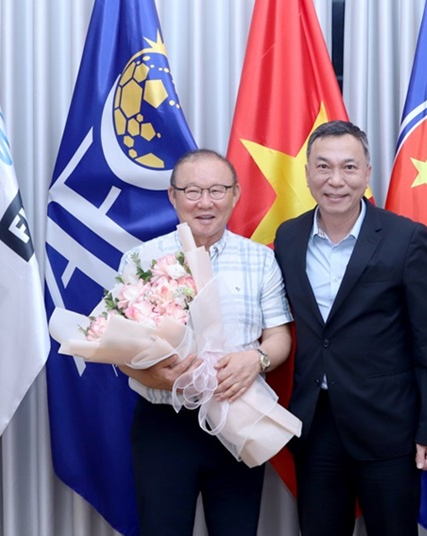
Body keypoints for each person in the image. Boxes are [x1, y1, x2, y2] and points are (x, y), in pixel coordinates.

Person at [273, 120, 427, 536]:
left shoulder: (405, 238)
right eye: (324, 167)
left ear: (367, 174)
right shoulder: (289, 236)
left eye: (349, 168)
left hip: (389, 425)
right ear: (307, 173)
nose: (336, 180)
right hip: (314, 424)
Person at [118, 149, 293, 536]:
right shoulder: (141, 259)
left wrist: (258, 360)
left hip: (238, 414)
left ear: (236, 194)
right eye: (192, 190)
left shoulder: (261, 260)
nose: (205, 202)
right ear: (172, 196)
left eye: (217, 190)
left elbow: (279, 335)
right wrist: (151, 375)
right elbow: (119, 348)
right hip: (164, 424)